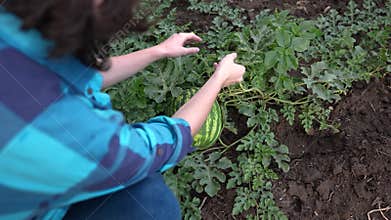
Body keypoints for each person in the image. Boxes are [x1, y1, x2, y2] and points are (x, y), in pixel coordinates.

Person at [0, 1, 245, 220]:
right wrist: (219, 78)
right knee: (151, 204)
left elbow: (71, 79)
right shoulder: (82, 136)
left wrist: (157, 51)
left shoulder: (13, 33)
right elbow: (165, 142)